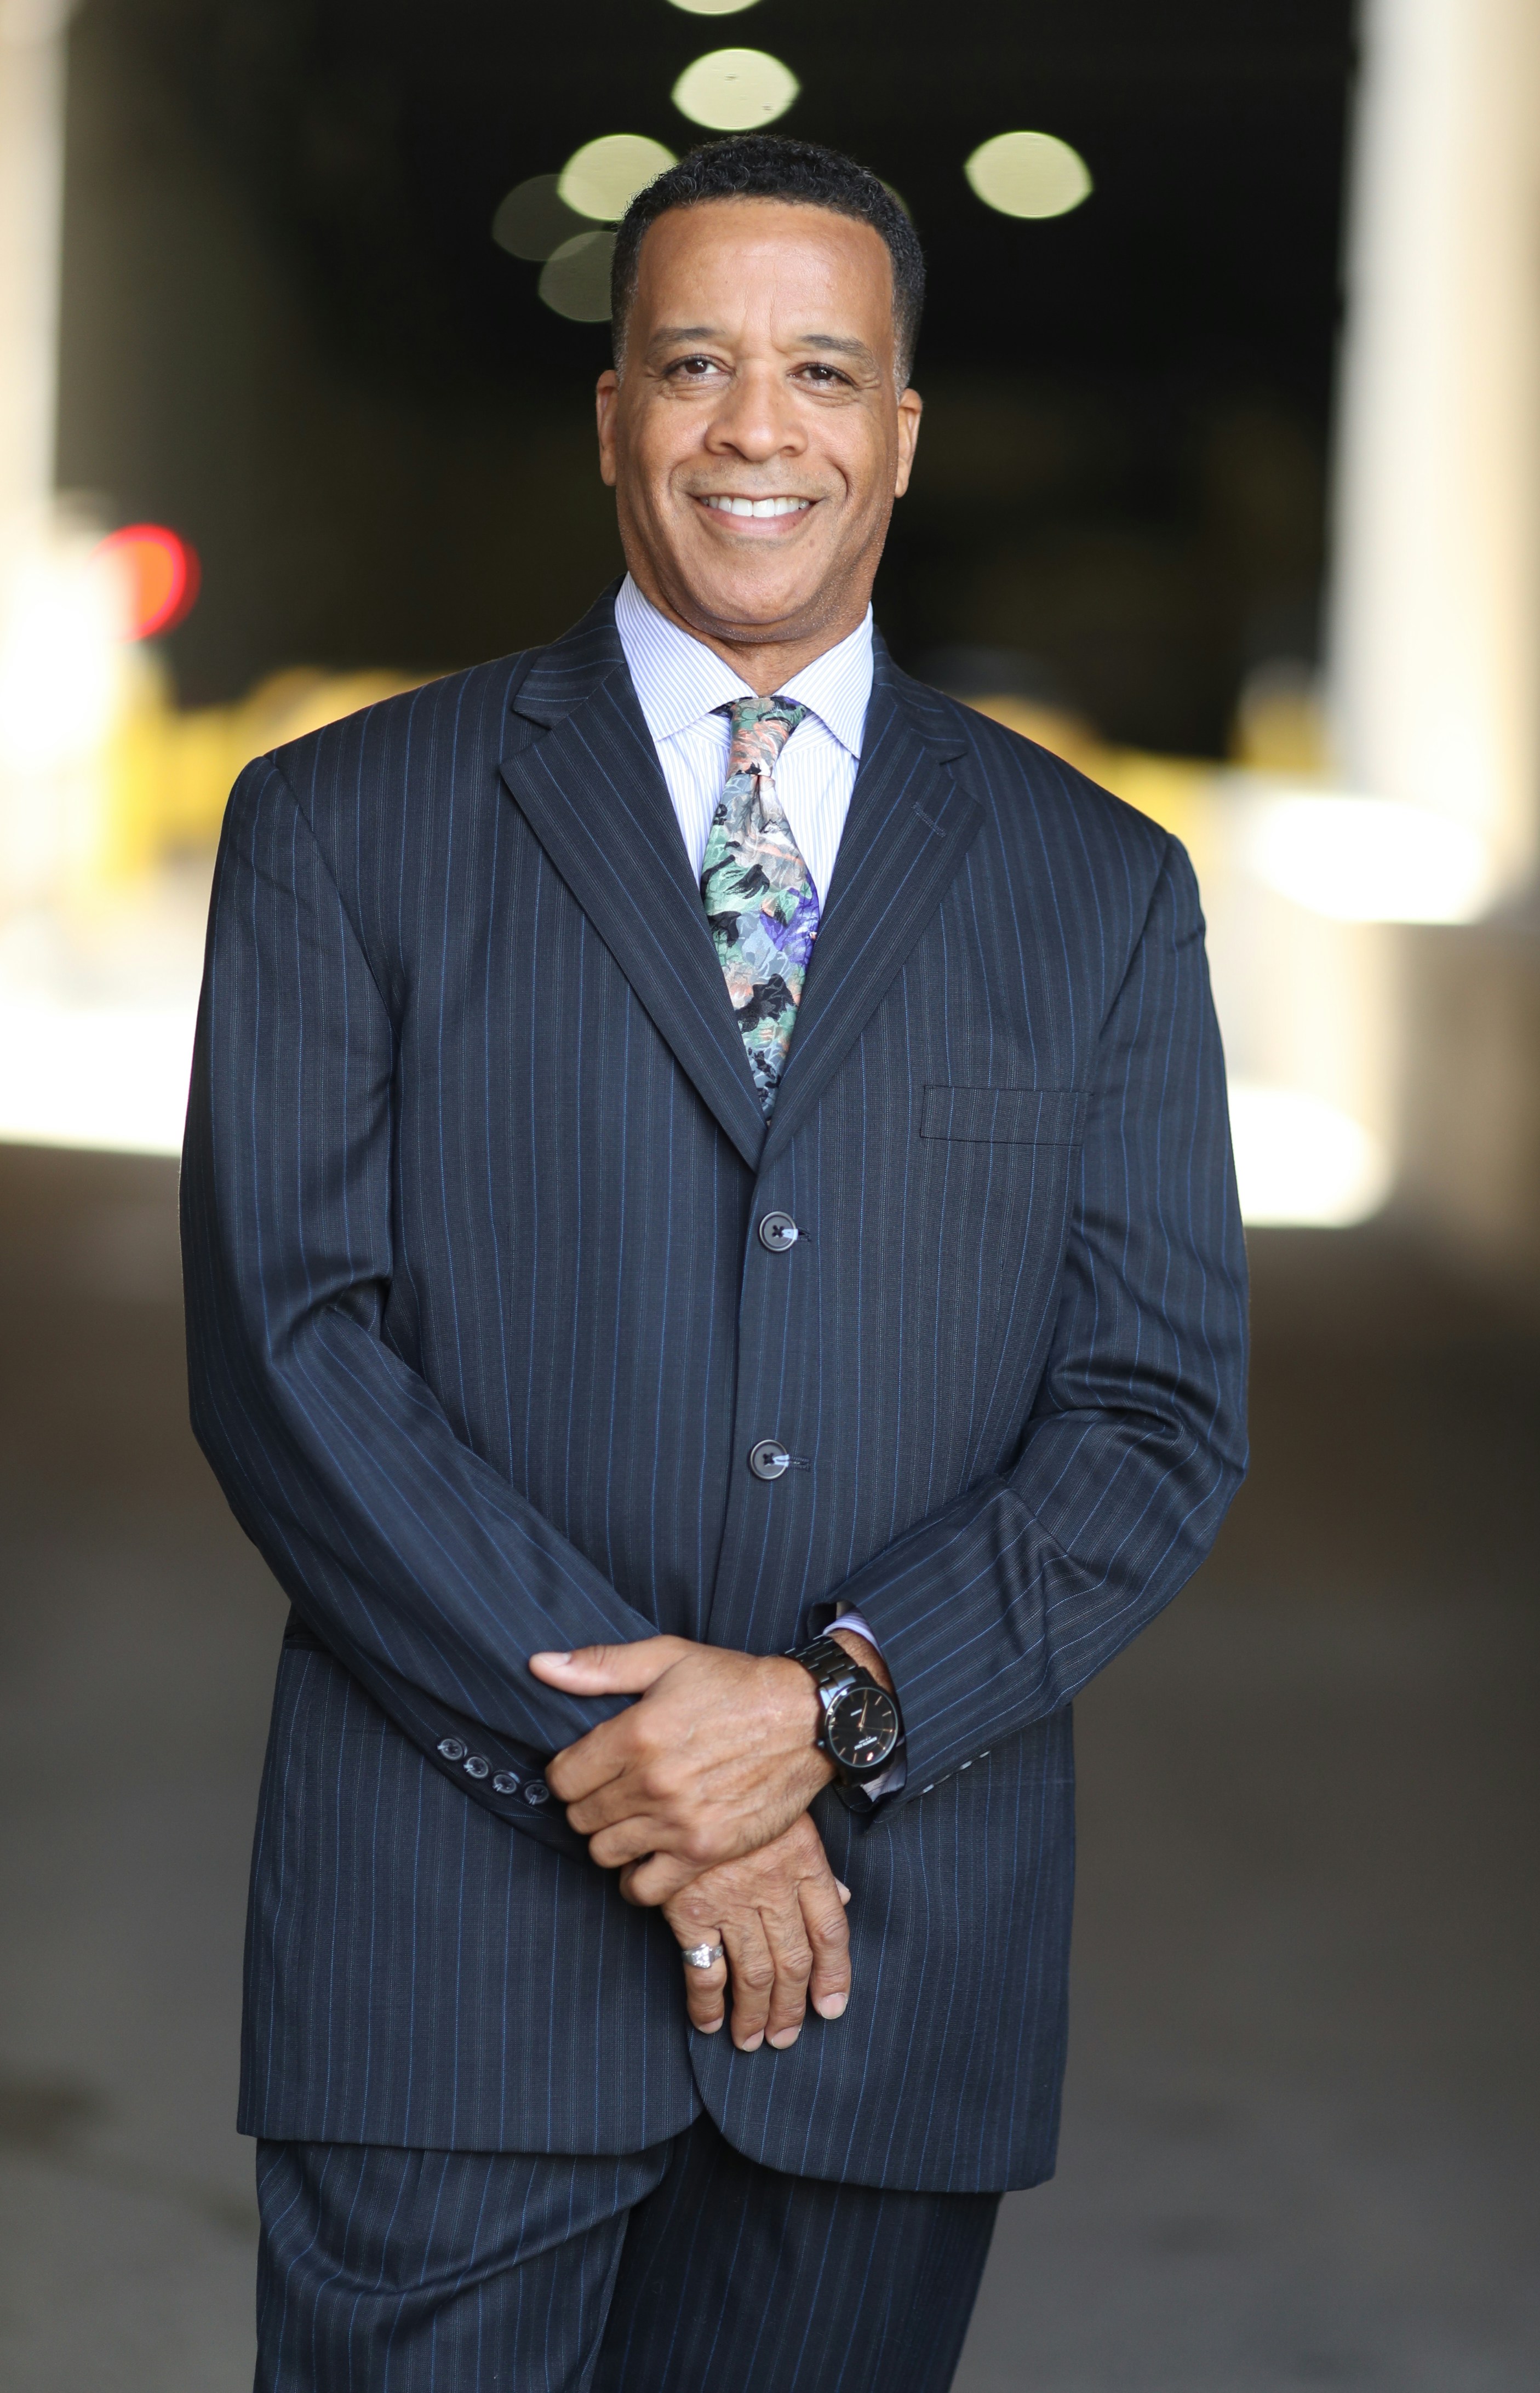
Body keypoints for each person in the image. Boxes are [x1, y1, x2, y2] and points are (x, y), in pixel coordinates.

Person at [182, 132, 1248, 2393]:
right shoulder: (345, 823)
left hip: (888, 1977)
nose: (757, 427)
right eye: (693, 366)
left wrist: (825, 1715)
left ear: (901, 431)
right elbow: (291, 1345)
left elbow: (1152, 1415)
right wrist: (657, 1767)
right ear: (611, 417)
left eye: (821, 372)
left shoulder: (1096, 888)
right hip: (447, 1966)